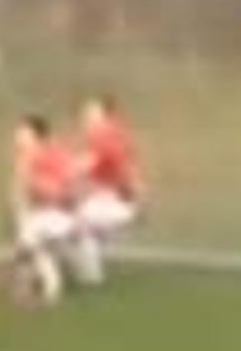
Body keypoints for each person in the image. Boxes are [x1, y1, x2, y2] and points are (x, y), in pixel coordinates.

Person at [9, 112, 85, 303]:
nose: (18, 136)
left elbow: (64, 190)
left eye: (23, 132)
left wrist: (39, 187)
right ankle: (49, 287)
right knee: (36, 244)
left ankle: (25, 282)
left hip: (62, 217)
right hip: (55, 217)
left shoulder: (39, 155)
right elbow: (21, 194)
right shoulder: (33, 155)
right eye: (19, 132)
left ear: (35, 135)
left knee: (29, 238)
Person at [74, 94, 144, 286]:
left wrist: (58, 171)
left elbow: (82, 167)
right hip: (122, 200)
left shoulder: (103, 136)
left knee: (79, 221)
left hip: (117, 201)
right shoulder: (117, 132)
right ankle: (90, 271)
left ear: (105, 116)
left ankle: (90, 275)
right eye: (86, 113)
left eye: (91, 113)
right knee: (87, 226)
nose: (85, 117)